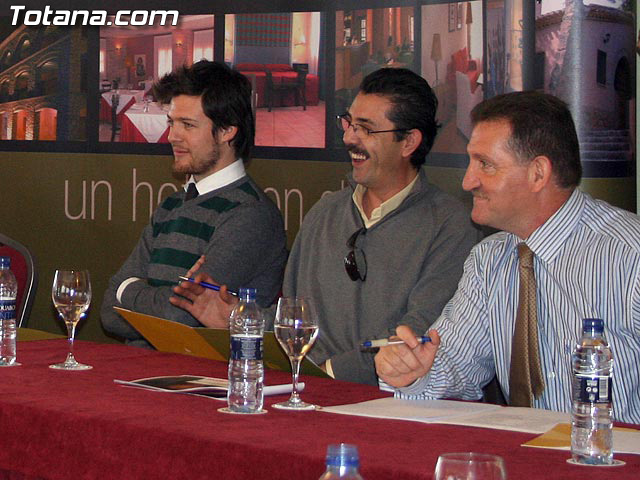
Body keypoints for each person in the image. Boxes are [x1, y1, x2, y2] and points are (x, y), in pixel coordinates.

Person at [171, 67, 479, 385]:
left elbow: (413, 338)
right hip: (304, 395)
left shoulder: (449, 226)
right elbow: (294, 319)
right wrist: (238, 318)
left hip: (387, 409)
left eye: (366, 130)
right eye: (348, 123)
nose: (348, 138)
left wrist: (329, 374)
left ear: (409, 142)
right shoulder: (325, 212)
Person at [374, 91, 640, 424]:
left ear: (538, 174)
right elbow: (458, 366)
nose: (468, 181)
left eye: (485, 164)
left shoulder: (630, 256)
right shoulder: (488, 259)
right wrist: (413, 371)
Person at [101, 60, 287, 346]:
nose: (173, 136)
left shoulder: (250, 215)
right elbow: (108, 312)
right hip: (140, 378)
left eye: (188, 125)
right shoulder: (170, 206)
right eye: (171, 123)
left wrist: (129, 292)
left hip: (202, 383)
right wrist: (152, 296)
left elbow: (181, 319)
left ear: (227, 131)